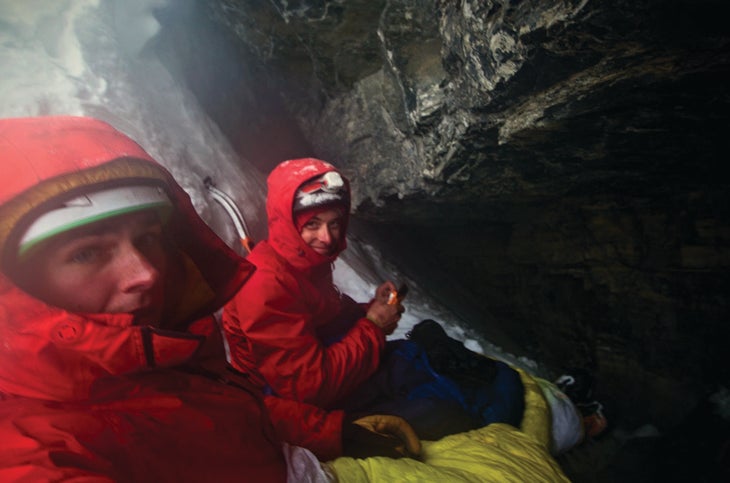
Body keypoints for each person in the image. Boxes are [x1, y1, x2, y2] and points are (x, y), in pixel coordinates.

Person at [0, 116, 420, 482]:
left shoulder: (164, 347)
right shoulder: (40, 448)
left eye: (148, 239)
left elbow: (224, 415)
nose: (146, 273)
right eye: (86, 253)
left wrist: (335, 431)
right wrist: (373, 328)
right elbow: (306, 385)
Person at [222, 158, 526, 441]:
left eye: (334, 223)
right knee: (438, 406)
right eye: (312, 224)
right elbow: (308, 388)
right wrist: (372, 326)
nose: (326, 238)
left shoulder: (304, 262)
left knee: (415, 358)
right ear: (288, 224)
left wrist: (370, 311)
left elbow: (321, 317)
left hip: (314, 365)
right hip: (283, 397)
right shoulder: (266, 282)